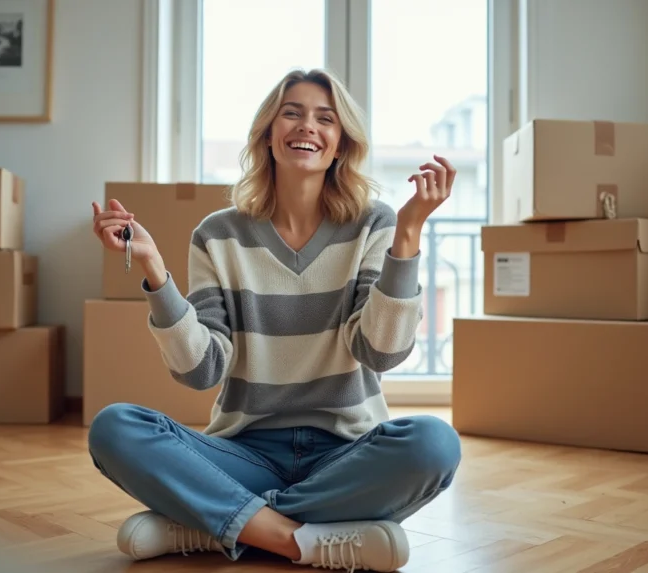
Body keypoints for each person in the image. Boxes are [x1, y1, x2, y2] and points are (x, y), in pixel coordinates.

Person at [88, 68, 462, 572]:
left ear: (340, 144)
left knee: (433, 445)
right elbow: (202, 371)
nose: (308, 125)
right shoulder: (216, 235)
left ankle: (209, 526)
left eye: (325, 119)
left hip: (346, 453)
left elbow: (381, 351)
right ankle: (303, 540)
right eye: (292, 113)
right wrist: (156, 271)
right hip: (243, 453)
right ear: (269, 134)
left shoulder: (376, 224)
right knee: (115, 428)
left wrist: (411, 230)